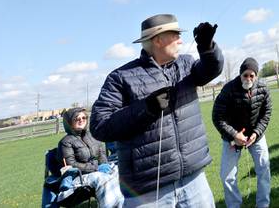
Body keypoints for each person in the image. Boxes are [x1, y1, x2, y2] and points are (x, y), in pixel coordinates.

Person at [90, 14, 224, 207]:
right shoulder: (120, 77)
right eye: (175, 34)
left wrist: (207, 47)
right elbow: (99, 125)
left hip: (194, 182)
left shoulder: (185, 63)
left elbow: (210, 69)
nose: (181, 40)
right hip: (148, 192)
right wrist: (147, 108)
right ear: (158, 40)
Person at [212, 57, 272, 208]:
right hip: (232, 137)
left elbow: (266, 113)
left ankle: (263, 205)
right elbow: (217, 117)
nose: (248, 78)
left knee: (264, 170)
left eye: (252, 75)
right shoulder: (228, 89)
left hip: (255, 137)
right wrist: (234, 135)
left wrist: (257, 133)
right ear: (240, 75)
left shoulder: (264, 88)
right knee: (227, 176)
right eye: (245, 75)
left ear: (256, 76)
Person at [57, 107, 124, 208]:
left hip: (96, 170)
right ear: (69, 123)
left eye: (84, 117)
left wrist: (104, 164)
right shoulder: (65, 142)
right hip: (79, 175)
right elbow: (71, 164)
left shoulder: (91, 135)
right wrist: (96, 168)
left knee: (118, 171)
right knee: (102, 178)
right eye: (77, 118)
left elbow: (101, 153)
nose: (81, 120)